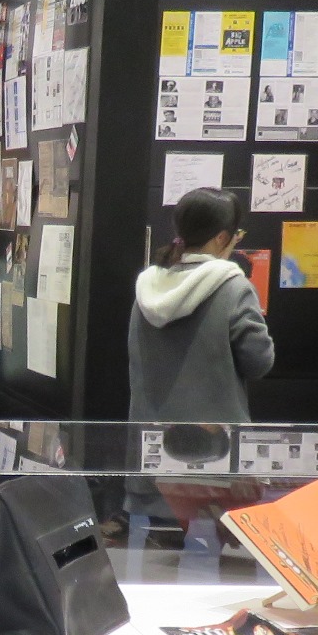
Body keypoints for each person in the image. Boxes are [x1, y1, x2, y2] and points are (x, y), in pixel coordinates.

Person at [126, 187, 275, 541]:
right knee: (214, 561)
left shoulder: (148, 287)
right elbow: (259, 361)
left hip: (153, 452)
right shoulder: (234, 288)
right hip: (214, 460)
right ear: (222, 237)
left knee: (153, 561)